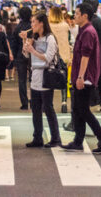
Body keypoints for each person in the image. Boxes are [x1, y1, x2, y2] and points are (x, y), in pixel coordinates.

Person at [61, 2, 101, 153]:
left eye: (76, 14)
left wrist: (81, 77)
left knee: (83, 110)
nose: (74, 16)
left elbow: (86, 56)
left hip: (85, 77)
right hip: (81, 75)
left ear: (85, 16)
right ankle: (78, 141)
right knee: (77, 109)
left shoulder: (88, 31)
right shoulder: (84, 30)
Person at [24, 10, 60, 147]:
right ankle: (37, 137)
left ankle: (55, 138)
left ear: (41, 23)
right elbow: (27, 56)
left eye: (34, 22)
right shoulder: (35, 38)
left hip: (46, 77)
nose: (32, 24)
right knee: (36, 109)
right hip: (35, 78)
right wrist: (25, 43)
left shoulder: (50, 38)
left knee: (48, 108)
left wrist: (33, 51)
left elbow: (48, 58)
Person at [48, 6, 73, 113]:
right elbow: (68, 41)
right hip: (63, 56)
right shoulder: (65, 26)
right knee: (64, 80)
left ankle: (50, 103)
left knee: (49, 80)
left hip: (50, 56)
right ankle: (64, 103)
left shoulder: (48, 26)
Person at [10, 6, 33, 110]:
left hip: (20, 56)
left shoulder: (17, 28)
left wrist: (14, 57)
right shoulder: (33, 27)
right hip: (33, 55)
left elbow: (13, 44)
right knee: (33, 79)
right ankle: (34, 101)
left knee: (22, 80)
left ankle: (24, 103)